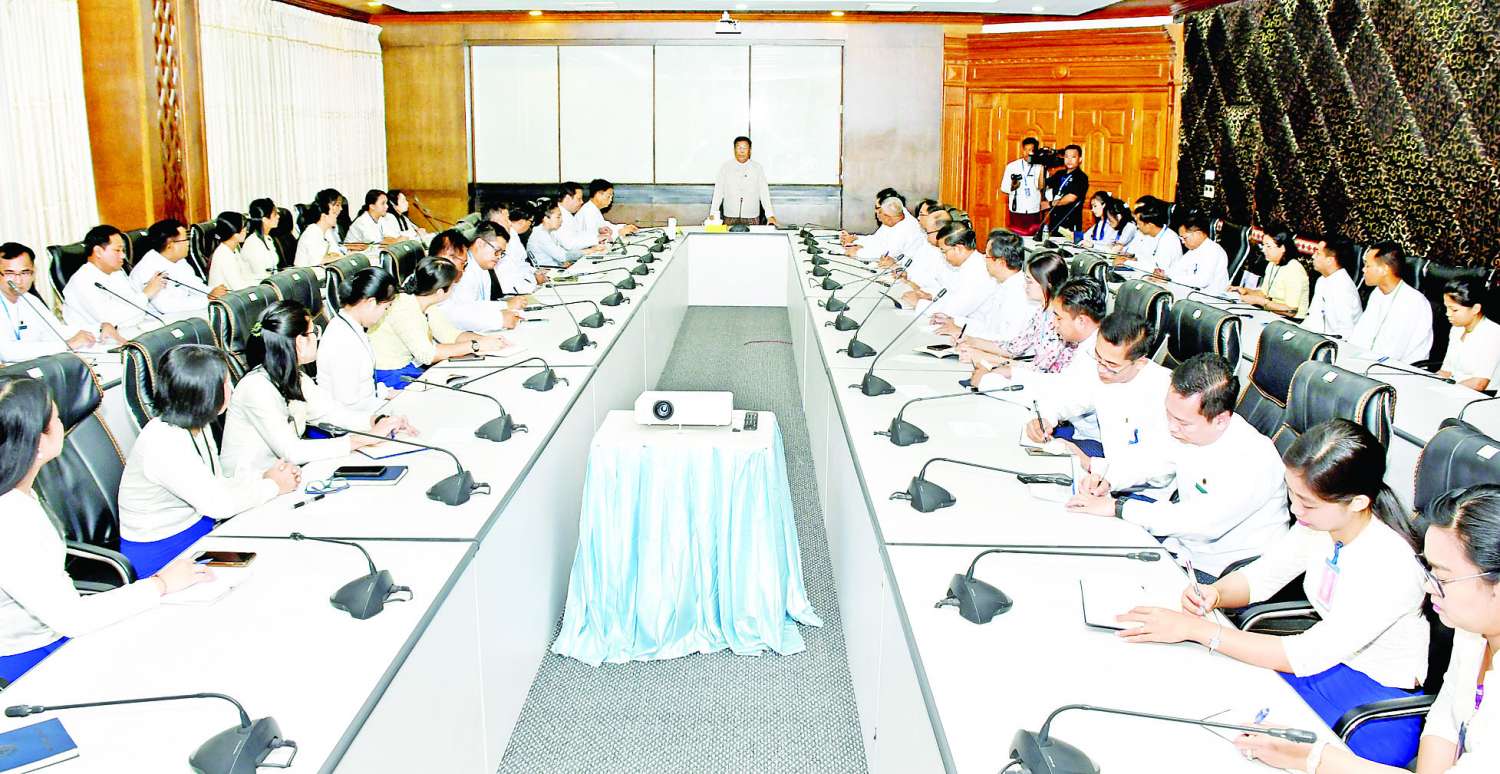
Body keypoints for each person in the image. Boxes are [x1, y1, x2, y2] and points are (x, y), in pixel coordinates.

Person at [1119, 419, 1429, 766]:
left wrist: (1196, 629)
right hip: (1323, 668)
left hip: (1372, 708)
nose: (1296, 510)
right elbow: (1262, 577)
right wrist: (1215, 593)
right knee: (1207, 704)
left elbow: (1304, 655)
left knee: (1238, 743)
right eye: (1292, 495)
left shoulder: (1391, 566)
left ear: (1357, 502)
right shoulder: (1323, 524)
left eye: (1308, 503)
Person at [1236, 483, 1500, 773]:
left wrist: (1312, 757)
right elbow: (1446, 719)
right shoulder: (1473, 631)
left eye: (1443, 577)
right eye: (1430, 570)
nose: (1428, 586)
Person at [0, 375, 211, 685]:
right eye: (56, 418)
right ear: (38, 442)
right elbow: (72, 618)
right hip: (30, 659)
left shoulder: (19, 490)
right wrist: (161, 584)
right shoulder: (11, 520)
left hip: (53, 629)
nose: (63, 423)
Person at [1065, 353, 1290, 578]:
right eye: (1169, 415)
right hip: (1185, 548)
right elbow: (1154, 460)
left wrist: (1118, 507)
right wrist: (1107, 478)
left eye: (1182, 422)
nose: (1171, 427)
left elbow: (1201, 522)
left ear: (1220, 420)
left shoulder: (1253, 459)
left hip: (1225, 571)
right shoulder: (1191, 429)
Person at [117, 345, 301, 576]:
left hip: (200, 529)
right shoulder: (163, 442)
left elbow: (215, 484)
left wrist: (263, 478)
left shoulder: (197, 424)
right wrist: (273, 486)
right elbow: (219, 504)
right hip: (164, 552)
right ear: (206, 392)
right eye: (225, 383)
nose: (231, 389)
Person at [221, 301, 415, 478]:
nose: (317, 337)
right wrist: (363, 439)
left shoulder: (296, 378)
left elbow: (330, 413)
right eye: (314, 331)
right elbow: (292, 451)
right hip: (250, 484)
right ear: (300, 342)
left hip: (284, 477)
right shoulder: (256, 388)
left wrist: (377, 421)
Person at [1027, 312, 1174, 486]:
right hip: (1105, 468)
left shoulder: (1165, 392)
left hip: (1140, 487)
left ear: (1140, 362)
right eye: (1098, 358)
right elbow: (1070, 398)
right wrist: (1045, 418)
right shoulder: (1103, 367)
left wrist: (1091, 465)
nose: (1101, 369)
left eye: (1112, 365)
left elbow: (1160, 471)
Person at [971, 277, 1106, 435]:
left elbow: (1061, 399)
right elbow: (1060, 382)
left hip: (1088, 440)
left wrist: (988, 383)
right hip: (1075, 427)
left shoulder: (1099, 355)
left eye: (1059, 318)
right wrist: (1012, 373)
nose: (1054, 324)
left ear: (1081, 321)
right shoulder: (1089, 343)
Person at [369, 257, 510, 388]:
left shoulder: (426, 301)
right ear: (441, 292)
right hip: (390, 374)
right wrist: (475, 345)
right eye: (453, 286)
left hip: (409, 367)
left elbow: (450, 335)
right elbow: (428, 355)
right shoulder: (404, 308)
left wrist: (486, 340)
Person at [959, 251, 1073, 377]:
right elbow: (1014, 348)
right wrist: (971, 341)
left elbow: (1040, 370)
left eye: (1029, 281)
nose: (1025, 285)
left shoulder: (1058, 321)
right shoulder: (1042, 312)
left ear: (1047, 285)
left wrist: (983, 357)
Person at [62, 225, 165, 344]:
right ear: (98, 251)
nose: (123, 256)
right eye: (117, 250)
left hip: (130, 330)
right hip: (98, 344)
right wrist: (145, 295)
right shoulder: (82, 281)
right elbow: (112, 320)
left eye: (123, 250)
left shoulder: (116, 273)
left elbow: (136, 311)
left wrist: (141, 300)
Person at [931, 230, 1035, 344]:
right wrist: (954, 321)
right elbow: (987, 325)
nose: (984, 259)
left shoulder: (1020, 292)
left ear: (1001, 262)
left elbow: (1007, 341)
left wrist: (961, 332)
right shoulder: (1002, 284)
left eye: (987, 256)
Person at [318, 266, 397, 414]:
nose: (384, 313)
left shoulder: (349, 325)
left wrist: (388, 393)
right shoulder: (343, 341)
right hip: (350, 418)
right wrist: (390, 408)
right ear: (371, 303)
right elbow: (349, 403)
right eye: (386, 308)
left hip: (365, 408)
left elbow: (363, 384)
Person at [0, 243, 96, 361]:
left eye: (25, 272)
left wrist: (99, 329)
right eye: (9, 273)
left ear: (33, 273)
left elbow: (56, 331)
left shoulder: (29, 299)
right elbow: (6, 352)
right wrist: (66, 345)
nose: (18, 280)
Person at [1349, 241, 1434, 364]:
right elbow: (1360, 335)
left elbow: (1398, 351)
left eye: (1367, 265)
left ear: (1384, 269)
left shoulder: (1413, 302)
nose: (1363, 269)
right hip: (1367, 363)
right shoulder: (1376, 294)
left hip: (1397, 370)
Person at [432, 224, 521, 332]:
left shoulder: (480, 267)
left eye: (501, 253)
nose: (498, 257)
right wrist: (499, 318)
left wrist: (501, 311)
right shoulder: (439, 282)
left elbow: (472, 307)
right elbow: (455, 315)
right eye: (497, 251)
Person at [129, 219, 222, 318]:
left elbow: (195, 285)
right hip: (159, 320)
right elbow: (165, 306)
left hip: (183, 312)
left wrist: (214, 292)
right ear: (170, 244)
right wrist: (207, 299)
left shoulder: (179, 260)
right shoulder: (148, 268)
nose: (188, 243)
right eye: (185, 239)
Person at [907, 222, 996, 322]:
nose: (944, 257)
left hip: (976, 325)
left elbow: (953, 311)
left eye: (944, 252)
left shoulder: (978, 271)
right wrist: (931, 296)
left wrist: (919, 303)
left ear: (958, 249)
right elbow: (953, 294)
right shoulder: (967, 264)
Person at [1437, 277, 1500, 391]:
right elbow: (1446, 371)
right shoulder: (1456, 329)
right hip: (1454, 389)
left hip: (1480, 395)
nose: (1448, 313)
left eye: (1454, 310)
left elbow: (1479, 383)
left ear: (1476, 308)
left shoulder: (1493, 334)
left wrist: (1446, 391)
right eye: (1446, 308)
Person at [1232, 225, 1309, 317]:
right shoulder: (1272, 264)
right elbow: (1264, 294)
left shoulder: (1294, 270)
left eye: (1268, 246)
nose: (1263, 250)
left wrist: (1259, 301)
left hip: (1292, 321)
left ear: (1283, 248)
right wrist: (1245, 291)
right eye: (1263, 245)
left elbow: (1291, 311)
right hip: (1272, 315)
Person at [1158, 210, 1231, 297]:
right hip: (1192, 293)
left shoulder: (1213, 251)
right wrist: (1163, 273)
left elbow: (1202, 281)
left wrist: (1170, 277)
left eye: (1184, 238)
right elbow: (1177, 268)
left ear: (1198, 234)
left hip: (1209, 298)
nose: (1183, 242)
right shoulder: (1194, 250)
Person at [1302, 237, 1364, 338]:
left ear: (1330, 260)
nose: (1313, 256)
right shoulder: (1322, 280)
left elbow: (1345, 333)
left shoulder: (1343, 288)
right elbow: (1313, 317)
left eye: (1318, 254)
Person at [709, 135, 775, 226]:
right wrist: (713, 213)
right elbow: (718, 192)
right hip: (730, 216)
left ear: (750, 150)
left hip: (751, 216)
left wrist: (770, 215)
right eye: (739, 147)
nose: (742, 151)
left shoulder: (757, 168)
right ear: (734, 150)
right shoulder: (726, 167)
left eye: (745, 148)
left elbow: (764, 193)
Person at [848, 196, 927, 264]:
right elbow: (877, 239)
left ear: (888, 217)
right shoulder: (895, 215)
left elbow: (887, 254)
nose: (878, 216)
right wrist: (855, 240)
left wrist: (858, 252)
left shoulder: (907, 229)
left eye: (880, 213)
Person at [530, 198, 604, 269]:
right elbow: (563, 256)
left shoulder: (548, 231)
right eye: (558, 217)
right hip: (550, 272)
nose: (562, 220)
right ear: (546, 219)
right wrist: (591, 250)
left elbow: (561, 253)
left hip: (557, 267)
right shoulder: (540, 235)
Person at [1040, 144, 1089, 235]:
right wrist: (1042, 165)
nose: (1069, 160)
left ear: (1080, 159)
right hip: (1055, 220)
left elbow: (1071, 198)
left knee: (1069, 244)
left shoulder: (1081, 177)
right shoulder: (1059, 174)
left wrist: (1050, 204)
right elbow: (1041, 184)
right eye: (1066, 157)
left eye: (1073, 157)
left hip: (1071, 221)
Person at [497, 203, 545, 296]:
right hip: (513, 290)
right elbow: (513, 272)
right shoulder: (506, 239)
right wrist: (535, 279)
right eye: (531, 222)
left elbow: (521, 263)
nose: (510, 223)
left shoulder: (513, 235)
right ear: (522, 221)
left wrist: (535, 272)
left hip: (523, 284)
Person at [206, 211, 260, 292]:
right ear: (234, 232)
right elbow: (239, 287)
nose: (247, 231)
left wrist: (266, 279)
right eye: (244, 229)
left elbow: (246, 276)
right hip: (227, 298)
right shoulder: (223, 256)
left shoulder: (232, 250)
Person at [1002, 137, 1045, 235]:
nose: (1027, 153)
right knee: (1016, 238)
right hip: (1017, 208)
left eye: (1030, 150)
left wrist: (1042, 167)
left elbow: (1041, 187)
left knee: (1032, 237)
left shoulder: (1040, 166)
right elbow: (1004, 188)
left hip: (1033, 209)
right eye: (1025, 149)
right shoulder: (1012, 166)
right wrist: (1014, 186)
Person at [1124, 202, 1183, 274]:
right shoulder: (1148, 234)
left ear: (1149, 225)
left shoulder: (1169, 239)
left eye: (1139, 224)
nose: (1137, 227)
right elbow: (1140, 257)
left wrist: (1127, 262)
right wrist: (1130, 260)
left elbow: (1158, 270)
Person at [294, 191, 346, 267]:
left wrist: (335, 256)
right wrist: (342, 257)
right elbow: (318, 262)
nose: (336, 217)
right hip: (308, 273)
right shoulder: (312, 233)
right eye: (334, 214)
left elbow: (337, 253)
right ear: (323, 216)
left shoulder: (327, 231)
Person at [242, 198, 282, 277]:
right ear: (265, 219)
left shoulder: (268, 239)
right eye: (275, 214)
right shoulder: (252, 244)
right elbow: (260, 275)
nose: (278, 216)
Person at [556, 181, 601, 251]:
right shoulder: (557, 216)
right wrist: (596, 239)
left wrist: (597, 235)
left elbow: (577, 234)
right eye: (579, 199)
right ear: (568, 198)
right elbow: (570, 245)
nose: (582, 202)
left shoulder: (566, 213)